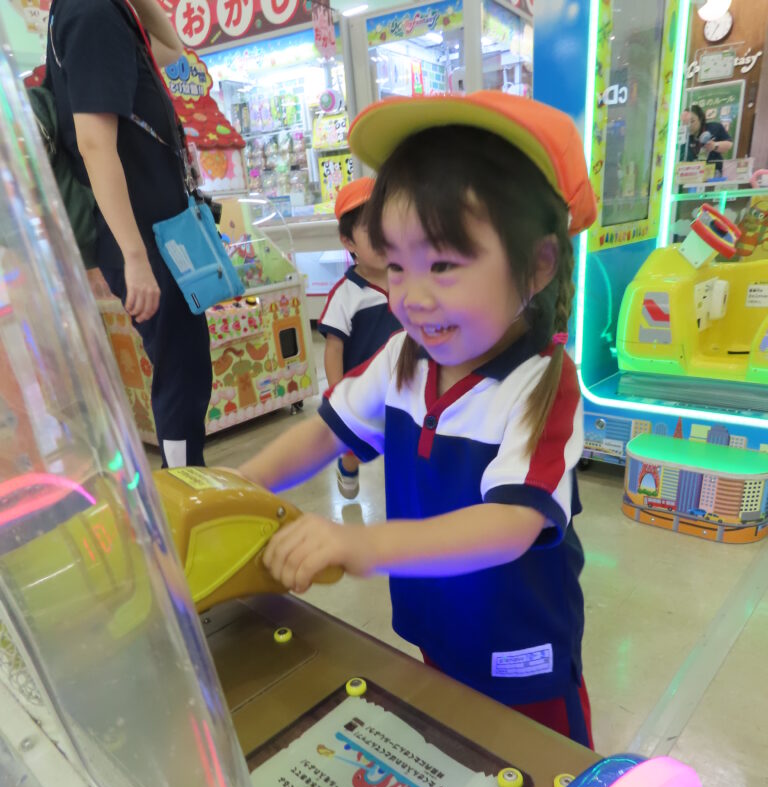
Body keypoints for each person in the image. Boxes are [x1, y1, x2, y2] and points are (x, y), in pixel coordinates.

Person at [238, 92, 598, 747]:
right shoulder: (403, 358)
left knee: (546, 777)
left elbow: (509, 525)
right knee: (457, 755)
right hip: (435, 630)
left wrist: (362, 545)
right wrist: (239, 487)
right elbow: (324, 432)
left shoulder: (542, 385)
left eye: (444, 265)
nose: (413, 297)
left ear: (538, 265)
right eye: (397, 267)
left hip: (521, 657)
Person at [46, 0, 213, 467]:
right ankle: (185, 482)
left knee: (186, 363)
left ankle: (187, 477)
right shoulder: (91, 13)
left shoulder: (105, 12)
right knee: (180, 370)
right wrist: (135, 257)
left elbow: (171, 51)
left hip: (157, 233)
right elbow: (94, 143)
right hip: (143, 237)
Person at [318, 177, 401, 498]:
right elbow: (333, 348)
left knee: (401, 441)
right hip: (361, 389)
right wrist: (338, 392)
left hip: (401, 385)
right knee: (353, 443)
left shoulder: (407, 280)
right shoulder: (346, 294)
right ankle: (347, 464)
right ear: (349, 242)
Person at [682, 105, 733, 174]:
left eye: (692, 121)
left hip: (713, 173)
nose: (689, 126)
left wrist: (714, 146)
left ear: (700, 118)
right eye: (685, 123)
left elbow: (729, 145)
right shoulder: (683, 138)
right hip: (691, 174)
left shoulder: (714, 128)